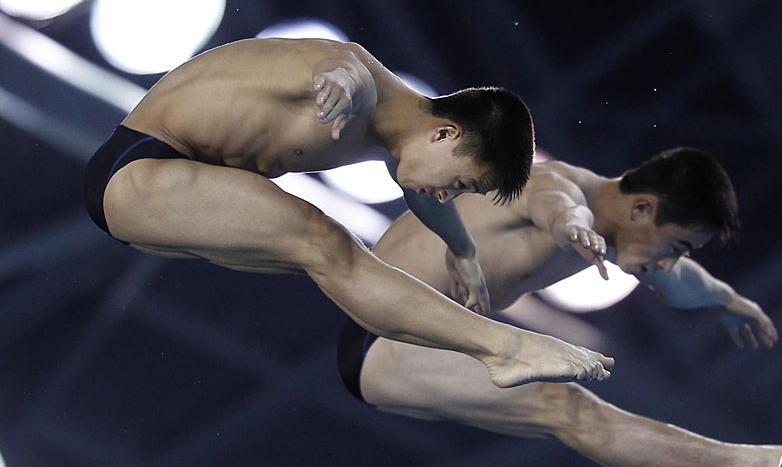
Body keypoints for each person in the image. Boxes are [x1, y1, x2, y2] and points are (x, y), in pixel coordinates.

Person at [82, 37, 612, 387]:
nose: (447, 196)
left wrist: (463, 250)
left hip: (167, 192)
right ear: (445, 133)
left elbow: (420, 193)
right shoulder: (358, 83)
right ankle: (504, 348)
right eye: (459, 183)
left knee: (339, 268)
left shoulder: (397, 140)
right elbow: (344, 69)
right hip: (137, 171)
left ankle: (489, 347)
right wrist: (340, 85)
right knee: (326, 243)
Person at [338, 147, 782, 467]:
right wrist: (568, 225)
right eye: (675, 247)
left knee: (567, 411)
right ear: (642, 208)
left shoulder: (621, 228)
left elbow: (678, 280)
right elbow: (554, 205)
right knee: (565, 407)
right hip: (383, 339)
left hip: (421, 340)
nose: (665, 263)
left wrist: (727, 299)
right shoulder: (558, 187)